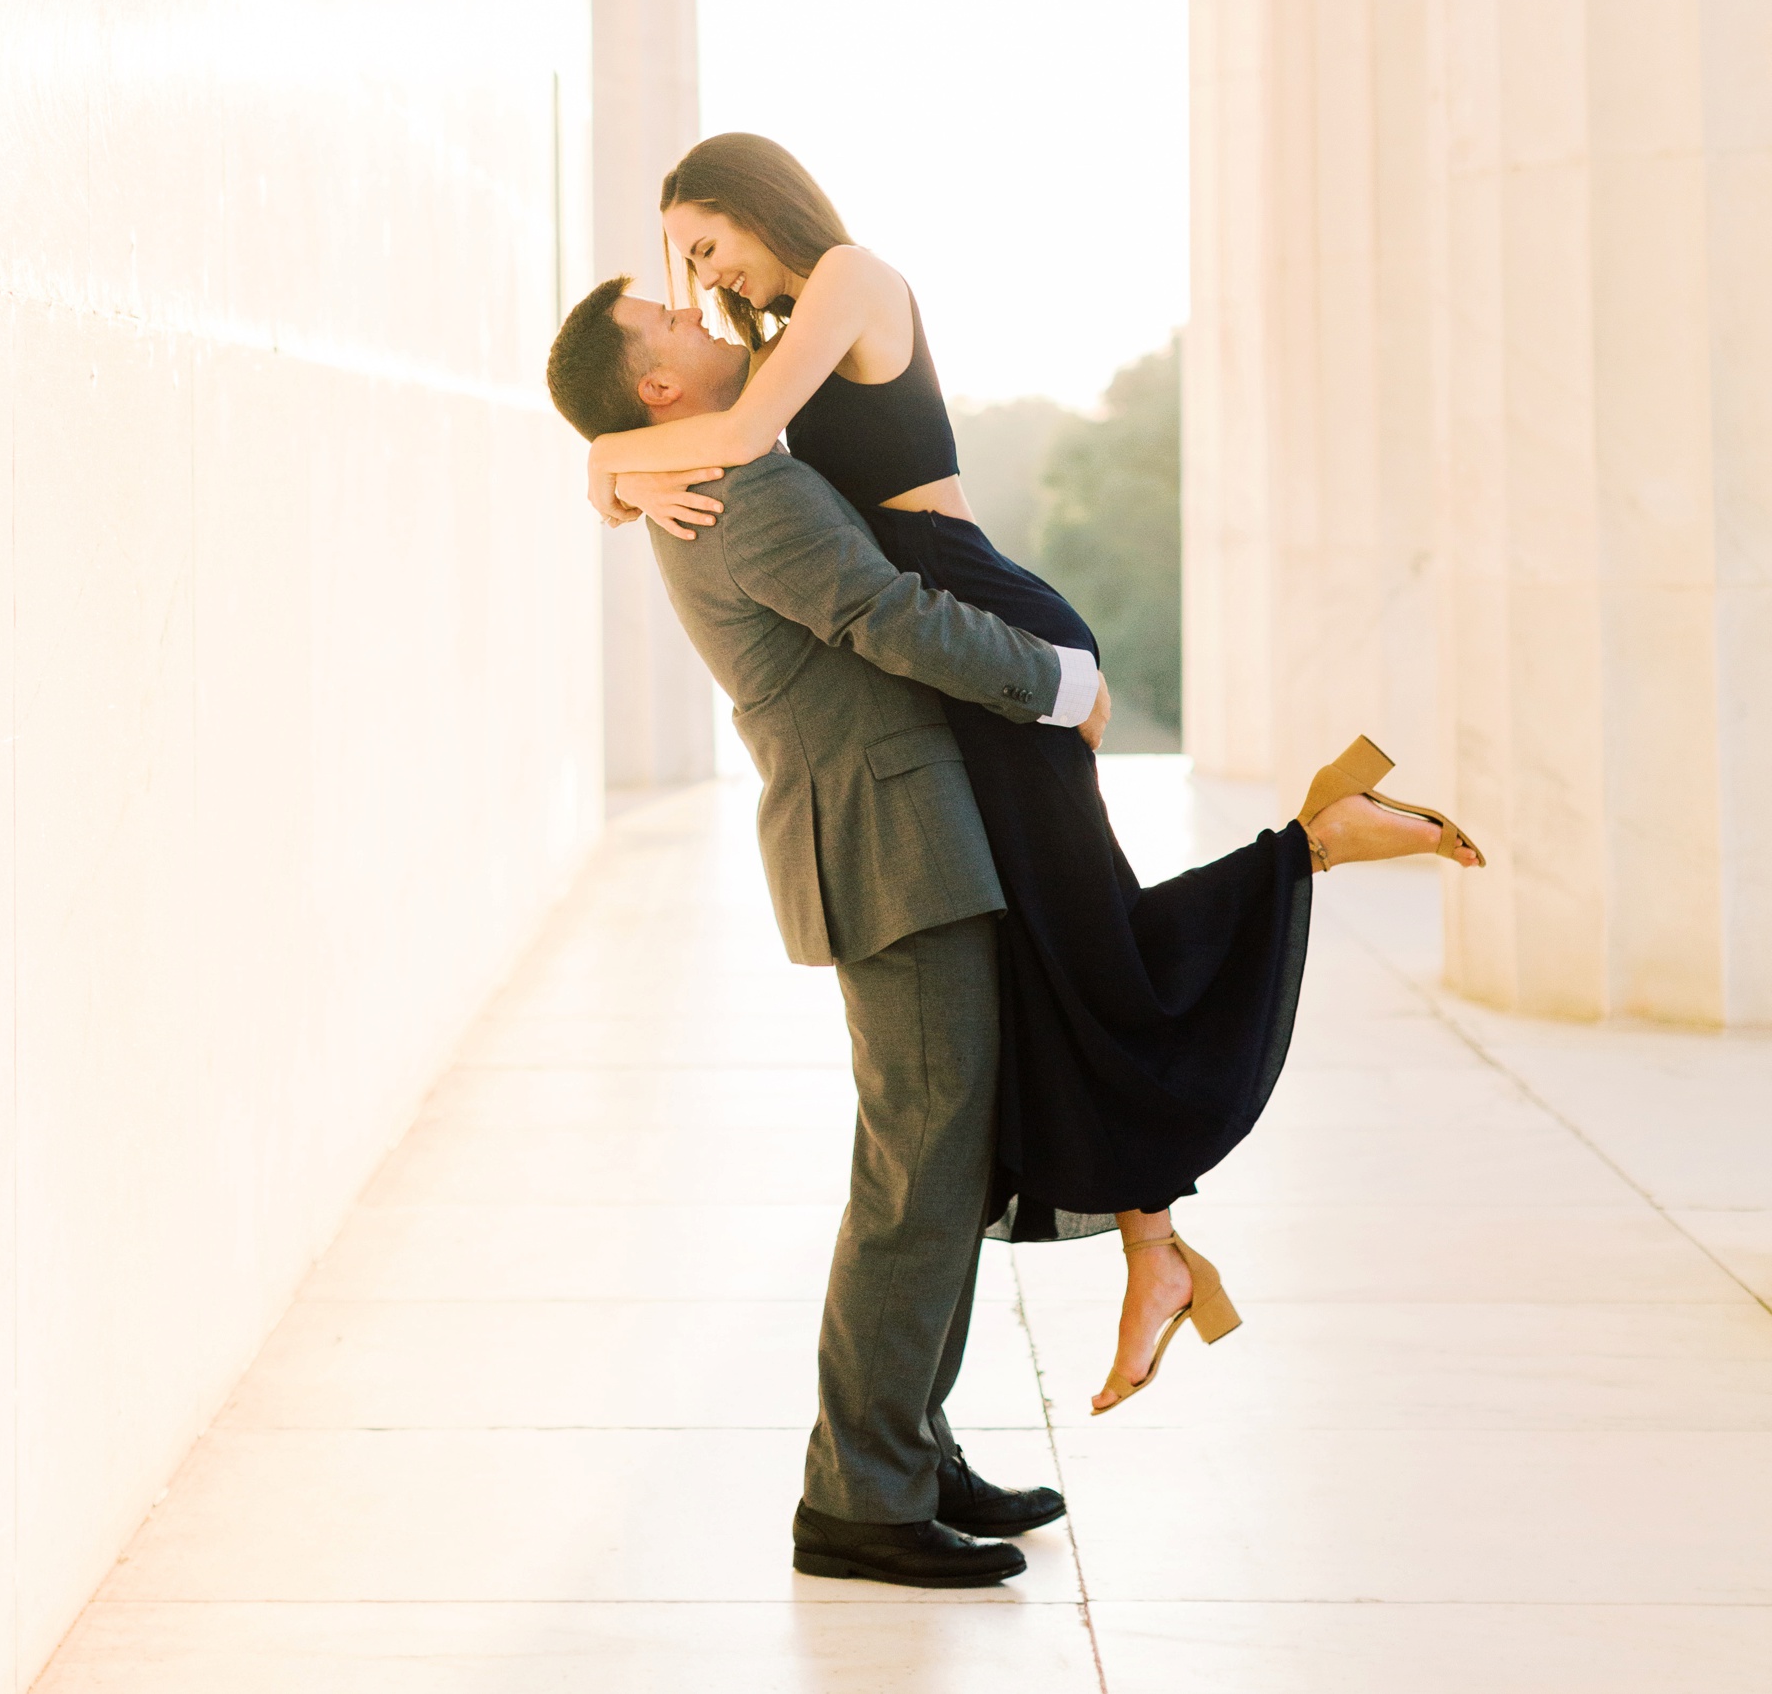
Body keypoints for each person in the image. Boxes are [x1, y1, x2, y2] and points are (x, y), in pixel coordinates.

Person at [578, 134, 1486, 1414]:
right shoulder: (783, 331)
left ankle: (1315, 842)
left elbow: (737, 432)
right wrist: (618, 461)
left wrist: (605, 460)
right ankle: (1154, 1252)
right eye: (685, 269)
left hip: (985, 626)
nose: (706, 279)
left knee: (1085, 934)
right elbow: (724, 436)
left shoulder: (848, 278)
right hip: (960, 650)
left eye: (706, 247)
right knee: (1069, 937)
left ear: (755, 203)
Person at [546, 275, 1107, 1587]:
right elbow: (884, 617)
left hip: (897, 831)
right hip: (886, 838)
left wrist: (609, 467)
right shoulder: (741, 491)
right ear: (657, 389)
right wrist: (1056, 681)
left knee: (939, 1161)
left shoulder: (699, 469)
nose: (700, 310)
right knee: (918, 1174)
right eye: (669, 319)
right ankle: (861, 1495)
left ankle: (907, 1447)